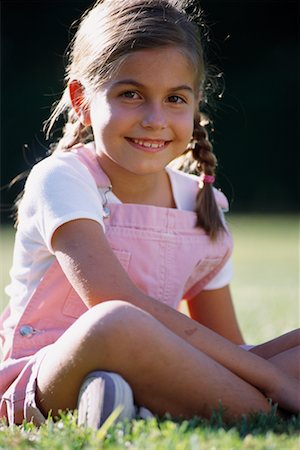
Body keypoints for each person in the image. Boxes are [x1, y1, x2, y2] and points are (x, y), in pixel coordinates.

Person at [0, 0, 299, 429]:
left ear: (196, 105)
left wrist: (264, 369)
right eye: (131, 94)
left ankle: (132, 402)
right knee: (116, 322)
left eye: (175, 98)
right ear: (82, 100)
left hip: (155, 364)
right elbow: (113, 302)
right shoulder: (62, 179)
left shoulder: (203, 205)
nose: (155, 119)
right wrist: (273, 379)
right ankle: (275, 413)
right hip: (48, 372)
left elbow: (227, 348)